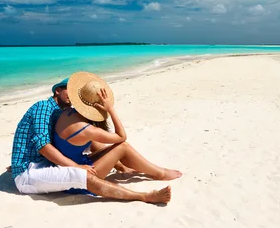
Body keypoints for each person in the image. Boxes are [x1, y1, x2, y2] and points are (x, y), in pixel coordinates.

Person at [10, 78, 172, 204]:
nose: (71, 97)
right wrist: (77, 167)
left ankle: (155, 173)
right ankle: (144, 197)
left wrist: (119, 165)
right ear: (58, 91)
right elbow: (44, 147)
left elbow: (89, 142)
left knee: (115, 150)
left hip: (39, 163)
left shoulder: (61, 112)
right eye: (68, 91)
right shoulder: (44, 107)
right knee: (85, 176)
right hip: (27, 173)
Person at [52, 71, 182, 181]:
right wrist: (110, 109)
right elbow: (122, 137)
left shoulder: (67, 113)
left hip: (73, 166)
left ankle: (131, 168)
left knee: (106, 146)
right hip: (80, 177)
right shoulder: (86, 129)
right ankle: (160, 173)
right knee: (122, 147)